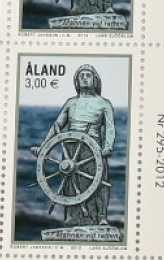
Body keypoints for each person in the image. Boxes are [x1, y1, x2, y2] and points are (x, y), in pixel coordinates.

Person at [43, 64, 116, 232]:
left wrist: (108, 147)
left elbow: (110, 128)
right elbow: (57, 126)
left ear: (95, 80)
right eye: (81, 75)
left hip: (93, 147)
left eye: (88, 75)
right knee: (70, 180)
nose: (84, 78)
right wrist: (43, 146)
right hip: (70, 146)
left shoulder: (104, 104)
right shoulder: (71, 103)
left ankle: (101, 217)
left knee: (100, 182)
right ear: (76, 81)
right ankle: (71, 217)